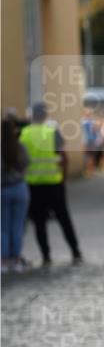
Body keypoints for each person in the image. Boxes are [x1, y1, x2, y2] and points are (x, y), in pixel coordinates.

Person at [19, 103, 82, 268]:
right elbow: (63, 158)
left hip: (33, 185)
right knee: (64, 219)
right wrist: (64, 178)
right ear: (45, 116)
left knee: (39, 223)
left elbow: (21, 160)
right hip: (54, 183)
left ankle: (46, 256)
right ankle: (75, 252)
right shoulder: (52, 132)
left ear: (31, 116)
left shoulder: (24, 134)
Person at [1, 117, 31, 273]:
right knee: (18, 225)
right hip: (19, 187)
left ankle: (4, 260)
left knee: (3, 227)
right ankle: (16, 258)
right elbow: (27, 163)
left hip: (3, 189)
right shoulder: (19, 147)